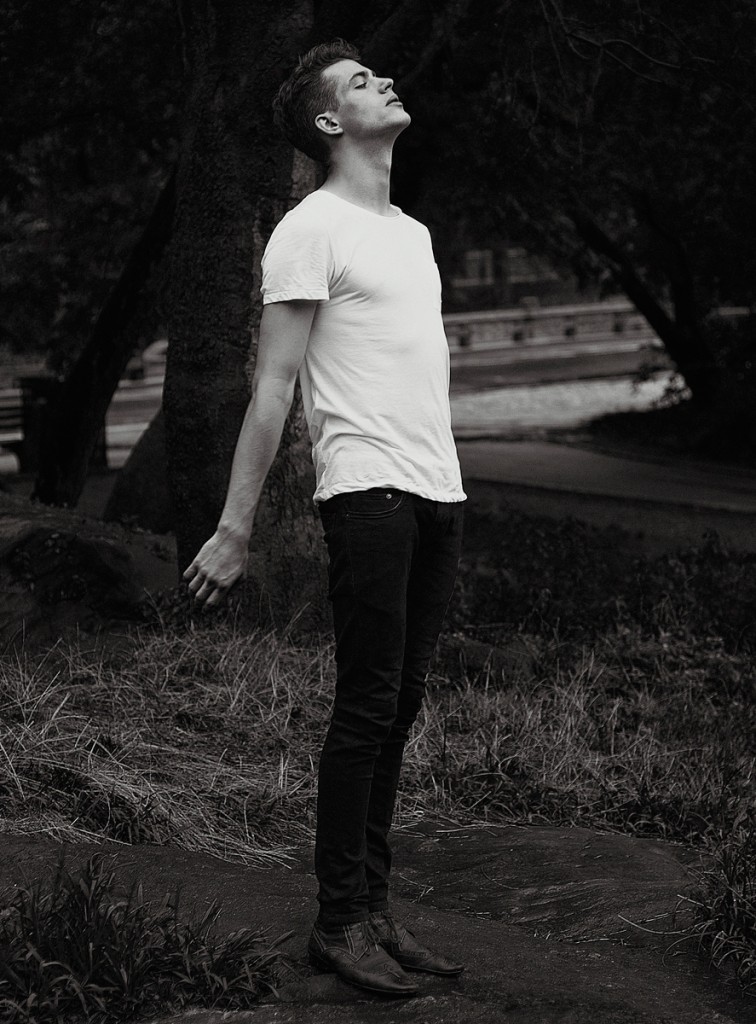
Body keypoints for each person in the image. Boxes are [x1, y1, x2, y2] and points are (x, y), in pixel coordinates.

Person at [184, 39, 466, 997]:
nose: (383, 80)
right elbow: (272, 387)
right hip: (368, 495)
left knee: (400, 706)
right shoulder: (309, 229)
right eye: (358, 82)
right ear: (329, 122)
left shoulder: (413, 234)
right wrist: (235, 527)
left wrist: (447, 484)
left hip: (438, 493)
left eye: (378, 73)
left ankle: (374, 910)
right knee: (366, 707)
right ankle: (337, 920)